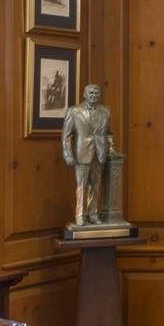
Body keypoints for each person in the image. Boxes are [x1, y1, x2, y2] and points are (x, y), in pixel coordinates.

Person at [61, 83, 114, 227]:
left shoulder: (105, 111)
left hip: (100, 153)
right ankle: (80, 216)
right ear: (84, 94)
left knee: (96, 186)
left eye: (96, 93)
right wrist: (68, 154)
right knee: (82, 186)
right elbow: (66, 136)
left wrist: (110, 148)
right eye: (90, 93)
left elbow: (108, 133)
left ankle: (93, 214)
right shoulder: (74, 111)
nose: (94, 95)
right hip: (82, 153)